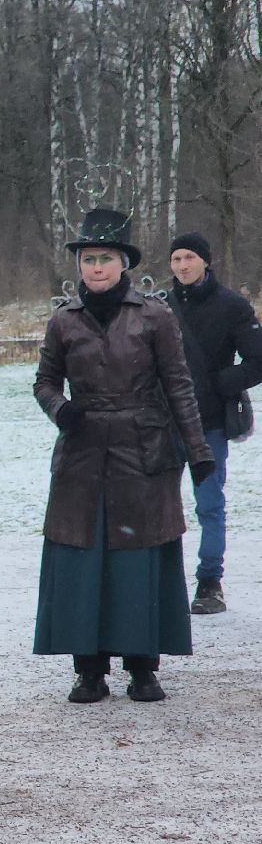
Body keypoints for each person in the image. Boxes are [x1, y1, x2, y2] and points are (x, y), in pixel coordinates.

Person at [34, 209, 214, 704]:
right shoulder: (63, 320)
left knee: (139, 561)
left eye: (105, 258)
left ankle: (143, 667)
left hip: (144, 449)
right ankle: (88, 670)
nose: (96, 268)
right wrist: (60, 408)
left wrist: (197, 450)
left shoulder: (154, 315)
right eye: (89, 259)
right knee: (83, 561)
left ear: (123, 263)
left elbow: (179, 384)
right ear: (79, 265)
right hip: (82, 452)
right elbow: (45, 380)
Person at [165, 232, 262, 615]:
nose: (183, 265)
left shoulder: (232, 306)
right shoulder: (158, 306)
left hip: (210, 425)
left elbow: (258, 360)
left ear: (205, 261)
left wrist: (222, 383)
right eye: (176, 259)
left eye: (190, 257)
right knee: (157, 507)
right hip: (162, 423)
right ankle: (161, 580)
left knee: (209, 505)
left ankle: (209, 582)